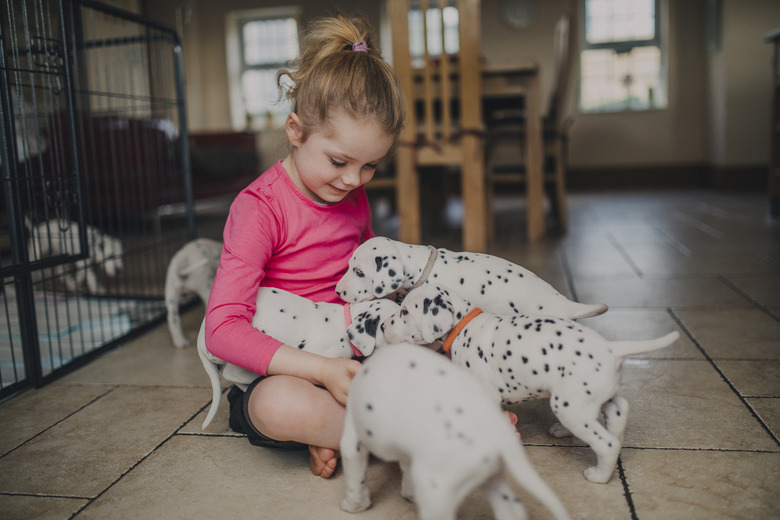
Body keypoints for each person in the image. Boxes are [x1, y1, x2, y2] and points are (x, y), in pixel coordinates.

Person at [204, 15, 405, 479]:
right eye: (339, 161)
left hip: (353, 349)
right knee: (279, 406)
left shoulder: (349, 191)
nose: (354, 180)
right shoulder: (259, 208)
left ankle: (338, 432)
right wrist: (322, 372)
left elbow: (370, 264)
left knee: (439, 342)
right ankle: (401, 434)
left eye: (371, 166)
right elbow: (222, 329)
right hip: (285, 369)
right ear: (295, 131)